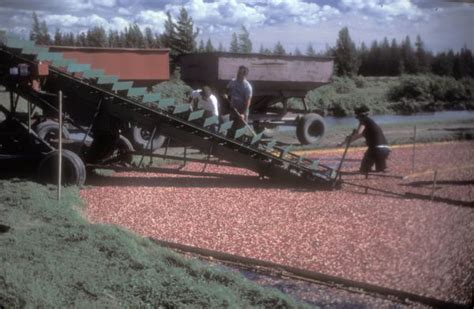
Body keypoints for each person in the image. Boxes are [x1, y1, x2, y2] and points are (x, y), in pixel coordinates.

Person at [339, 105, 390, 173]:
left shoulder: (364, 120)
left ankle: (366, 170)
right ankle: (381, 168)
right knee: (380, 170)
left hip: (376, 150)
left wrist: (351, 135)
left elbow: (358, 132)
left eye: (357, 117)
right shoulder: (370, 124)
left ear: (360, 115)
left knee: (363, 169)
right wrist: (343, 143)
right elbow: (356, 137)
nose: (358, 119)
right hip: (385, 150)